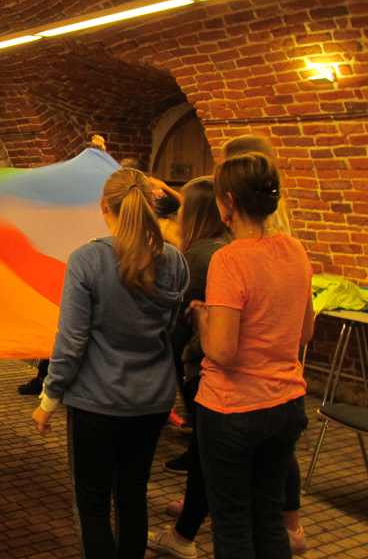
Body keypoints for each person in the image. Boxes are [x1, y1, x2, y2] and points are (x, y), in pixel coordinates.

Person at [31, 167, 189, 559]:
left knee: (93, 506)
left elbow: (71, 341)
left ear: (104, 206)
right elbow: (169, 327)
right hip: (152, 401)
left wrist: (49, 399)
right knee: (133, 497)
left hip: (96, 404)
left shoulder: (88, 260)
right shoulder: (174, 261)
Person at [188, 151, 313, 559]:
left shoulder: (230, 259)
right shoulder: (295, 249)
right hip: (287, 404)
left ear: (228, 201)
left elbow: (222, 352)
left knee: (233, 526)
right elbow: (305, 332)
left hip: (233, 409)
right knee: (269, 519)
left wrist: (202, 319)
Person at [147, 177, 230, 559]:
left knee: (205, 450)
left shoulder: (196, 256)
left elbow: (180, 322)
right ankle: (199, 504)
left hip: (202, 363)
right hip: (215, 367)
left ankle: (186, 531)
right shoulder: (224, 247)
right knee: (205, 446)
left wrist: (166, 365)